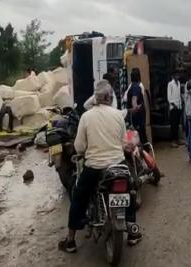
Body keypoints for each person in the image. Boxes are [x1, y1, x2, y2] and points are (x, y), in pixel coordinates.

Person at [58, 81, 142, 253]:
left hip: (95, 167)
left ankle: (71, 240)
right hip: (118, 165)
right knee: (131, 189)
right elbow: (124, 143)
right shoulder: (118, 115)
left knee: (78, 196)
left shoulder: (86, 117)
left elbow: (79, 147)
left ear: (96, 98)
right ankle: (133, 229)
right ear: (109, 97)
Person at [127, 68, 148, 144]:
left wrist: (134, 107)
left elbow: (134, 99)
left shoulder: (135, 86)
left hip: (137, 116)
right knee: (141, 133)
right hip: (138, 114)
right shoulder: (135, 86)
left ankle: (145, 151)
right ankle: (145, 151)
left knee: (140, 134)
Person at [168, 70, 184, 148]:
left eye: (178, 75)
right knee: (173, 125)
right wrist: (173, 105)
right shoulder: (170, 84)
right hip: (173, 107)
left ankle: (177, 139)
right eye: (176, 75)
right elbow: (169, 97)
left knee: (177, 124)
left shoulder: (179, 83)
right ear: (173, 76)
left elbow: (179, 94)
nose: (178, 76)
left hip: (179, 106)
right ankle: (173, 141)